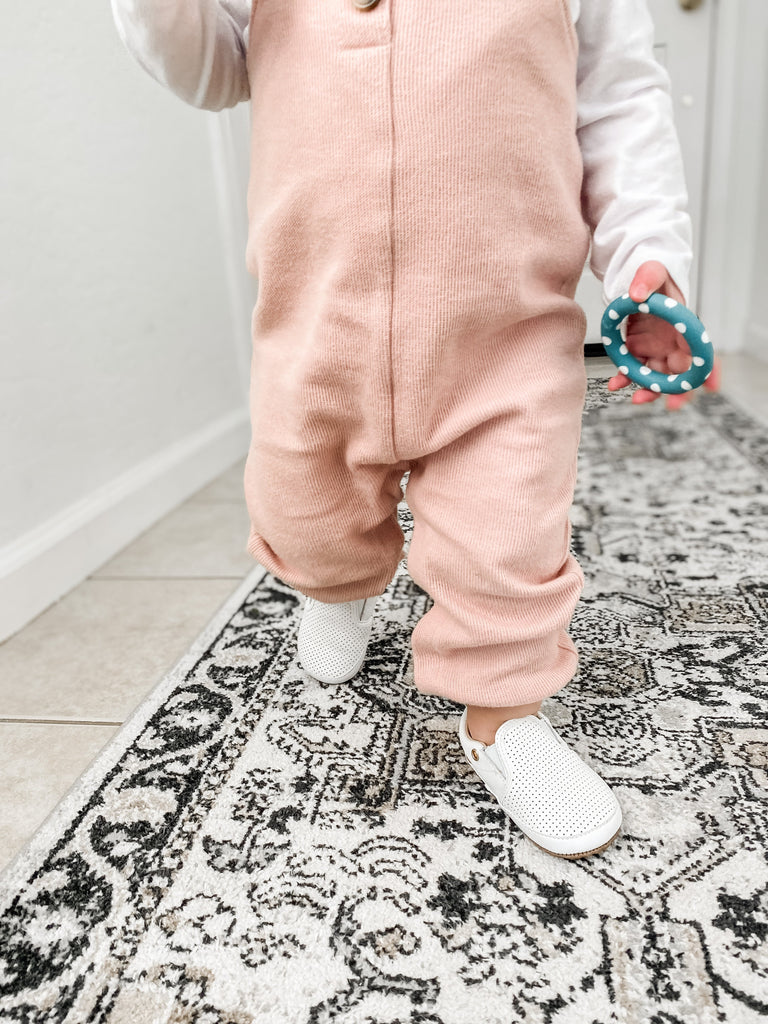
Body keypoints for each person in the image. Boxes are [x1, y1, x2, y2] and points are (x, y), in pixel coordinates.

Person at [111, 0, 721, 860]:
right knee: (304, 508)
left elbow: (618, 97)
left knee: (508, 537)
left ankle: (503, 717)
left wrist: (646, 250)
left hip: (504, 336)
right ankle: (335, 585)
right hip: (319, 324)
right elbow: (207, 70)